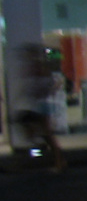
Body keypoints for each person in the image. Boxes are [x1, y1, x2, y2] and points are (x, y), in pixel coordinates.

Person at [11, 43, 66, 171]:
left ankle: (58, 161)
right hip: (37, 106)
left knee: (48, 135)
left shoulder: (39, 68)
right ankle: (51, 155)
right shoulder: (33, 68)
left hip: (42, 105)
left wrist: (43, 91)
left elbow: (52, 84)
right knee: (28, 125)